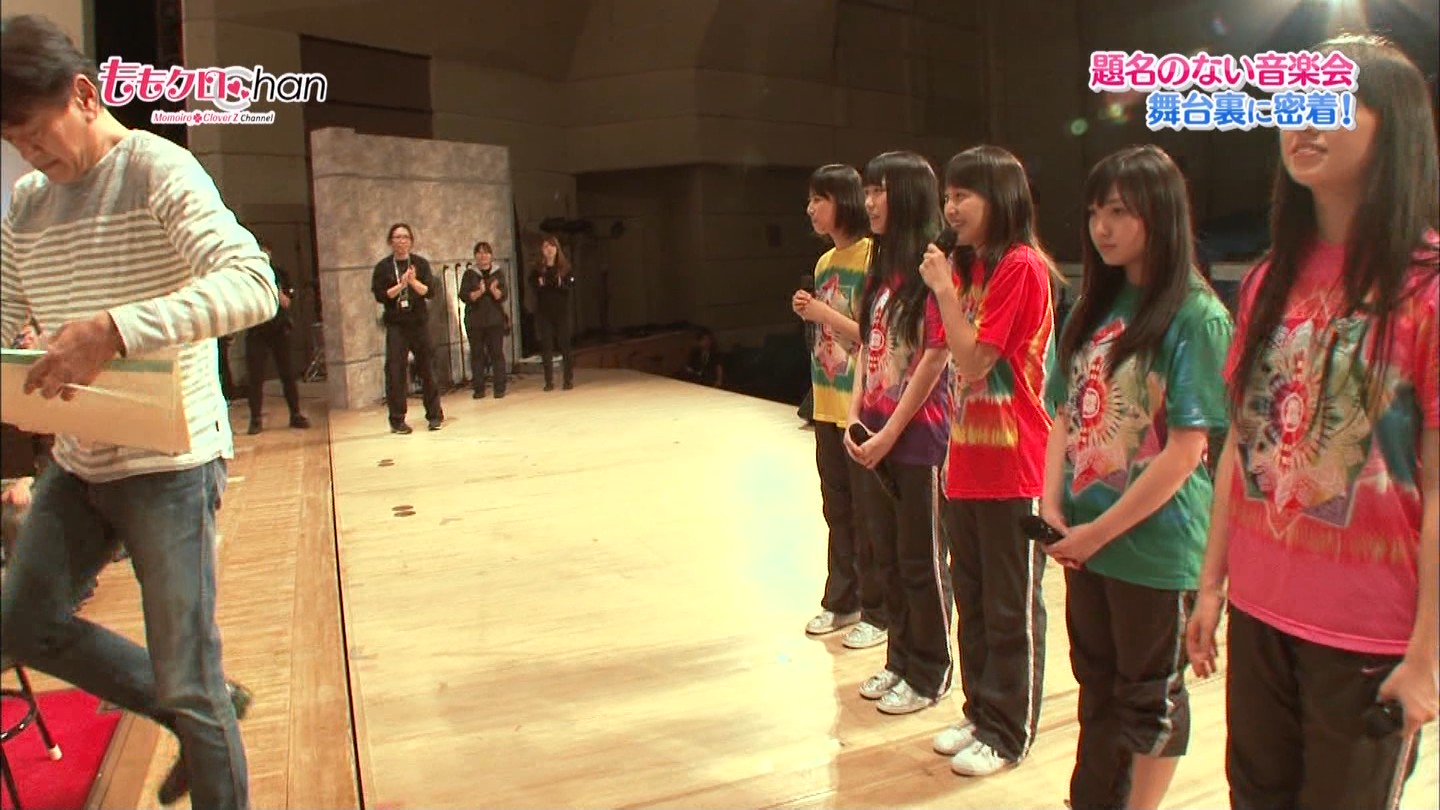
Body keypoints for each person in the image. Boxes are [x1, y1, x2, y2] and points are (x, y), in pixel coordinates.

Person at [0, 14, 272, 808]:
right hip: (78, 460)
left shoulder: (159, 170)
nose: (31, 156)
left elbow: (252, 284)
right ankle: (203, 710)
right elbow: (5, 318)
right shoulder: (25, 204)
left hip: (171, 463)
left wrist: (115, 329)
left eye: (37, 134)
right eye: (14, 143)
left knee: (190, 678)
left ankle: (201, 713)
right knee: (23, 623)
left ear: (85, 97)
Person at [1187, 35, 1439, 810]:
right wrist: (1210, 587)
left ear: (1393, 125)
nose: (1303, 121)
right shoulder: (1268, 279)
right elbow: (1240, 449)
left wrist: (1427, 655)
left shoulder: (1426, 287)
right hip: (1261, 610)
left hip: (1368, 634)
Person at [1040, 145, 1232, 809]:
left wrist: (1097, 534)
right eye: (1095, 211)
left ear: (1161, 212)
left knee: (1149, 698)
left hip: (1154, 547)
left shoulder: (1195, 316)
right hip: (1083, 539)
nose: (1103, 227)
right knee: (1096, 687)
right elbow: (1064, 413)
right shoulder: (1093, 306)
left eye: (1120, 211)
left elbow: (1185, 452)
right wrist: (1051, 503)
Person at [918, 145, 1061, 777]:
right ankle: (980, 713)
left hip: (1015, 464)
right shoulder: (967, 266)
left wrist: (944, 290)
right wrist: (948, 285)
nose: (951, 208)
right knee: (973, 603)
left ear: (999, 198)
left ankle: (1009, 731)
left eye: (964, 195)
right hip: (966, 462)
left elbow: (974, 361)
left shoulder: (1022, 266)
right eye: (948, 196)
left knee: (1010, 608)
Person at [844, 151, 954, 715]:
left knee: (921, 561)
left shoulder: (932, 267)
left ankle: (931, 671)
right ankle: (900, 660)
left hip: (919, 439)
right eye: (867, 191)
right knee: (888, 557)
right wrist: (856, 416)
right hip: (875, 434)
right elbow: (868, 345)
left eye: (879, 190)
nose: (869, 202)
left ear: (908, 194)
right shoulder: (881, 268)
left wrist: (891, 433)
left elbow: (935, 356)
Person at [793, 163, 887, 649]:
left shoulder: (872, 256)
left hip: (862, 408)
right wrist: (813, 315)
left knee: (871, 516)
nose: (811, 209)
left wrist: (822, 312)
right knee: (837, 510)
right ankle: (842, 599)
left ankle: (878, 609)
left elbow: (875, 335)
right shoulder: (825, 262)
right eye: (810, 200)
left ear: (844, 201)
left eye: (820, 199)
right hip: (826, 404)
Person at [371, 222, 443, 433]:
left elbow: (429, 292)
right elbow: (381, 295)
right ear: (390, 241)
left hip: (418, 323)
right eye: (397, 237)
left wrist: (412, 282)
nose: (401, 241)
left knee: (427, 369)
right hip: (396, 325)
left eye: (405, 237)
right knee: (395, 372)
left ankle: (434, 415)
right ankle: (397, 420)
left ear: (411, 241)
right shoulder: (383, 267)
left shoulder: (420, 263)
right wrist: (400, 285)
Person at [245, 239, 310, 434]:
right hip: (256, 330)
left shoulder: (279, 274)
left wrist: (277, 290)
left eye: (266, 253)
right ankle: (255, 418)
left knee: (287, 374)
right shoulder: (248, 277)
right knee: (255, 377)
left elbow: (287, 303)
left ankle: (295, 413)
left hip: (279, 329)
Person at [459, 241, 509, 399]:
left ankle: (499, 388)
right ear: (475, 256)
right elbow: (464, 295)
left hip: (494, 320)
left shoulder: (497, 273)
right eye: (479, 253)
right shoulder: (469, 274)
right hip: (475, 321)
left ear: (491, 255)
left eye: (486, 252)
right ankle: (479, 389)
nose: (483, 256)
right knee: (477, 355)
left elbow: (503, 295)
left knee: (497, 354)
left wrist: (493, 290)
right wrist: (479, 292)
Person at [529, 234, 576, 391]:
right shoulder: (537, 269)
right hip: (544, 312)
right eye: (545, 246)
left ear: (557, 249)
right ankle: (548, 381)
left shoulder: (565, 268)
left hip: (561, 311)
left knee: (565, 345)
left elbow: (570, 286)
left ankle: (568, 379)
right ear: (542, 250)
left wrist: (560, 283)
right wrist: (539, 283)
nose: (549, 249)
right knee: (546, 347)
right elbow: (532, 286)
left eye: (551, 246)